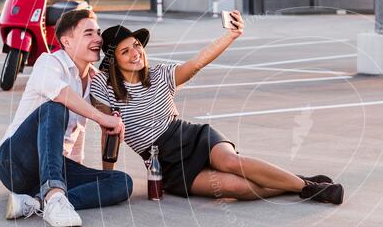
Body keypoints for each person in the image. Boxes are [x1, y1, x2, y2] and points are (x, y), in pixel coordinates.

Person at [89, 12, 344, 204]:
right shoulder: (103, 85)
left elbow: (198, 62)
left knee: (231, 162)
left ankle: (310, 189)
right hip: (163, 162)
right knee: (238, 188)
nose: (135, 53)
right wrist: (107, 176)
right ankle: (294, 180)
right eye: (125, 51)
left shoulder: (160, 75)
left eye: (137, 45)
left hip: (190, 136)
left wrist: (229, 36)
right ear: (113, 61)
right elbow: (107, 128)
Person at [0, 9, 133, 227]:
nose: (98, 38)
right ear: (66, 41)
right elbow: (61, 94)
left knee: (121, 182)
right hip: (14, 161)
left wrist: (101, 173)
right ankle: (55, 195)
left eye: (98, 32)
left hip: (51, 166)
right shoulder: (49, 62)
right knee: (55, 108)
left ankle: (38, 203)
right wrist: (101, 118)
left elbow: (78, 133)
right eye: (89, 33)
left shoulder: (94, 80)